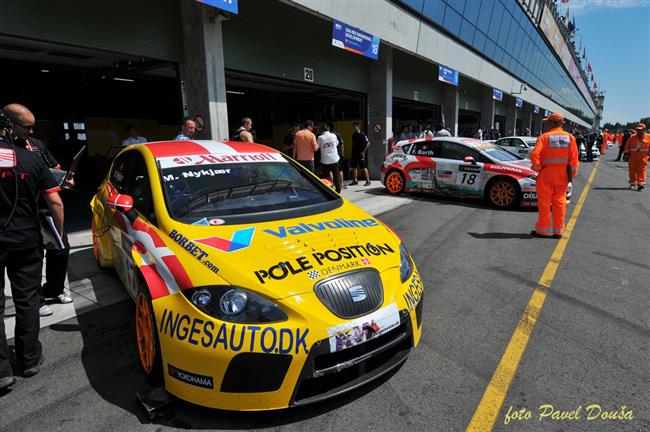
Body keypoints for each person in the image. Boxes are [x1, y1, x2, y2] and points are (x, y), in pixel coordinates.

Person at [0, 114, 65, 390]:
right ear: (10, 126)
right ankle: (28, 360)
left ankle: (2, 370)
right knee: (27, 300)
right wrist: (58, 236)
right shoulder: (33, 158)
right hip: (26, 241)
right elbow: (55, 201)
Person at [3, 104, 73, 317]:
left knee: (60, 248)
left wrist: (66, 180)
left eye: (32, 127)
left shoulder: (37, 146)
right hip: (21, 215)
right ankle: (38, 300)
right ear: (8, 123)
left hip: (46, 209)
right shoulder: (4, 150)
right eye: (26, 127)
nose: (31, 131)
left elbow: (55, 172)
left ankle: (54, 290)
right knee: (34, 258)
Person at [530, 112, 579, 238]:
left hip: (546, 174)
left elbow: (535, 154)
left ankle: (542, 230)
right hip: (562, 175)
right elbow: (574, 159)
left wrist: (537, 167)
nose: (547, 124)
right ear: (561, 124)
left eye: (548, 122)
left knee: (544, 203)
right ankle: (558, 231)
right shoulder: (570, 138)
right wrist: (571, 175)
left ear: (551, 123)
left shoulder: (544, 137)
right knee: (560, 202)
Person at [624, 123, 650, 191]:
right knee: (632, 170)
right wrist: (626, 153)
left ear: (644, 130)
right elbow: (627, 145)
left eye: (640, 130)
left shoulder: (648, 137)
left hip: (643, 158)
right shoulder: (632, 137)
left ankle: (641, 184)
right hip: (633, 158)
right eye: (638, 130)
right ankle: (632, 183)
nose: (639, 131)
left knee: (642, 170)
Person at [317, 124, 341, 193]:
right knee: (336, 175)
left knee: (326, 176)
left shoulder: (320, 138)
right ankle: (338, 190)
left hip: (325, 160)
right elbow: (336, 144)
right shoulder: (333, 135)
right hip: (334, 159)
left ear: (322, 130)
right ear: (328, 129)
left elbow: (317, 147)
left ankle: (329, 190)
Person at [350, 122, 371, 186]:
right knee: (354, 167)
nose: (354, 128)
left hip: (361, 154)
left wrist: (363, 152)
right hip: (354, 153)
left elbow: (368, 143)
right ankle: (355, 180)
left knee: (363, 167)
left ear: (358, 127)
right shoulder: (353, 135)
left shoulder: (362, 134)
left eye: (355, 126)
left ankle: (368, 181)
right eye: (353, 127)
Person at [330, 123, 347, 190]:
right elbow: (342, 144)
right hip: (338, 155)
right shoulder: (338, 134)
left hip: (330, 155)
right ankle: (341, 184)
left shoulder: (327, 135)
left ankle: (331, 185)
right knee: (340, 170)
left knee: (330, 170)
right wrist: (342, 154)